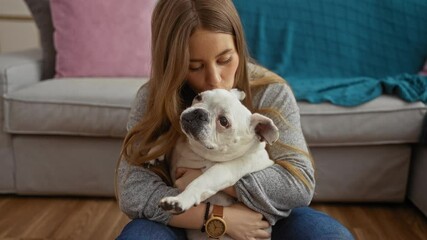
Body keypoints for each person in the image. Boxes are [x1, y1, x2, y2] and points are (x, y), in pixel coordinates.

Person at [115, 0, 354, 239]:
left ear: (239, 46)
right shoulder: (153, 97)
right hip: (180, 219)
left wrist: (211, 180)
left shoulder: (270, 91)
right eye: (195, 66)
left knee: (329, 235)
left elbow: (298, 185)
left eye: (225, 60)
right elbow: (133, 192)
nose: (215, 79)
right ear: (172, 61)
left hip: (261, 218)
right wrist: (218, 217)